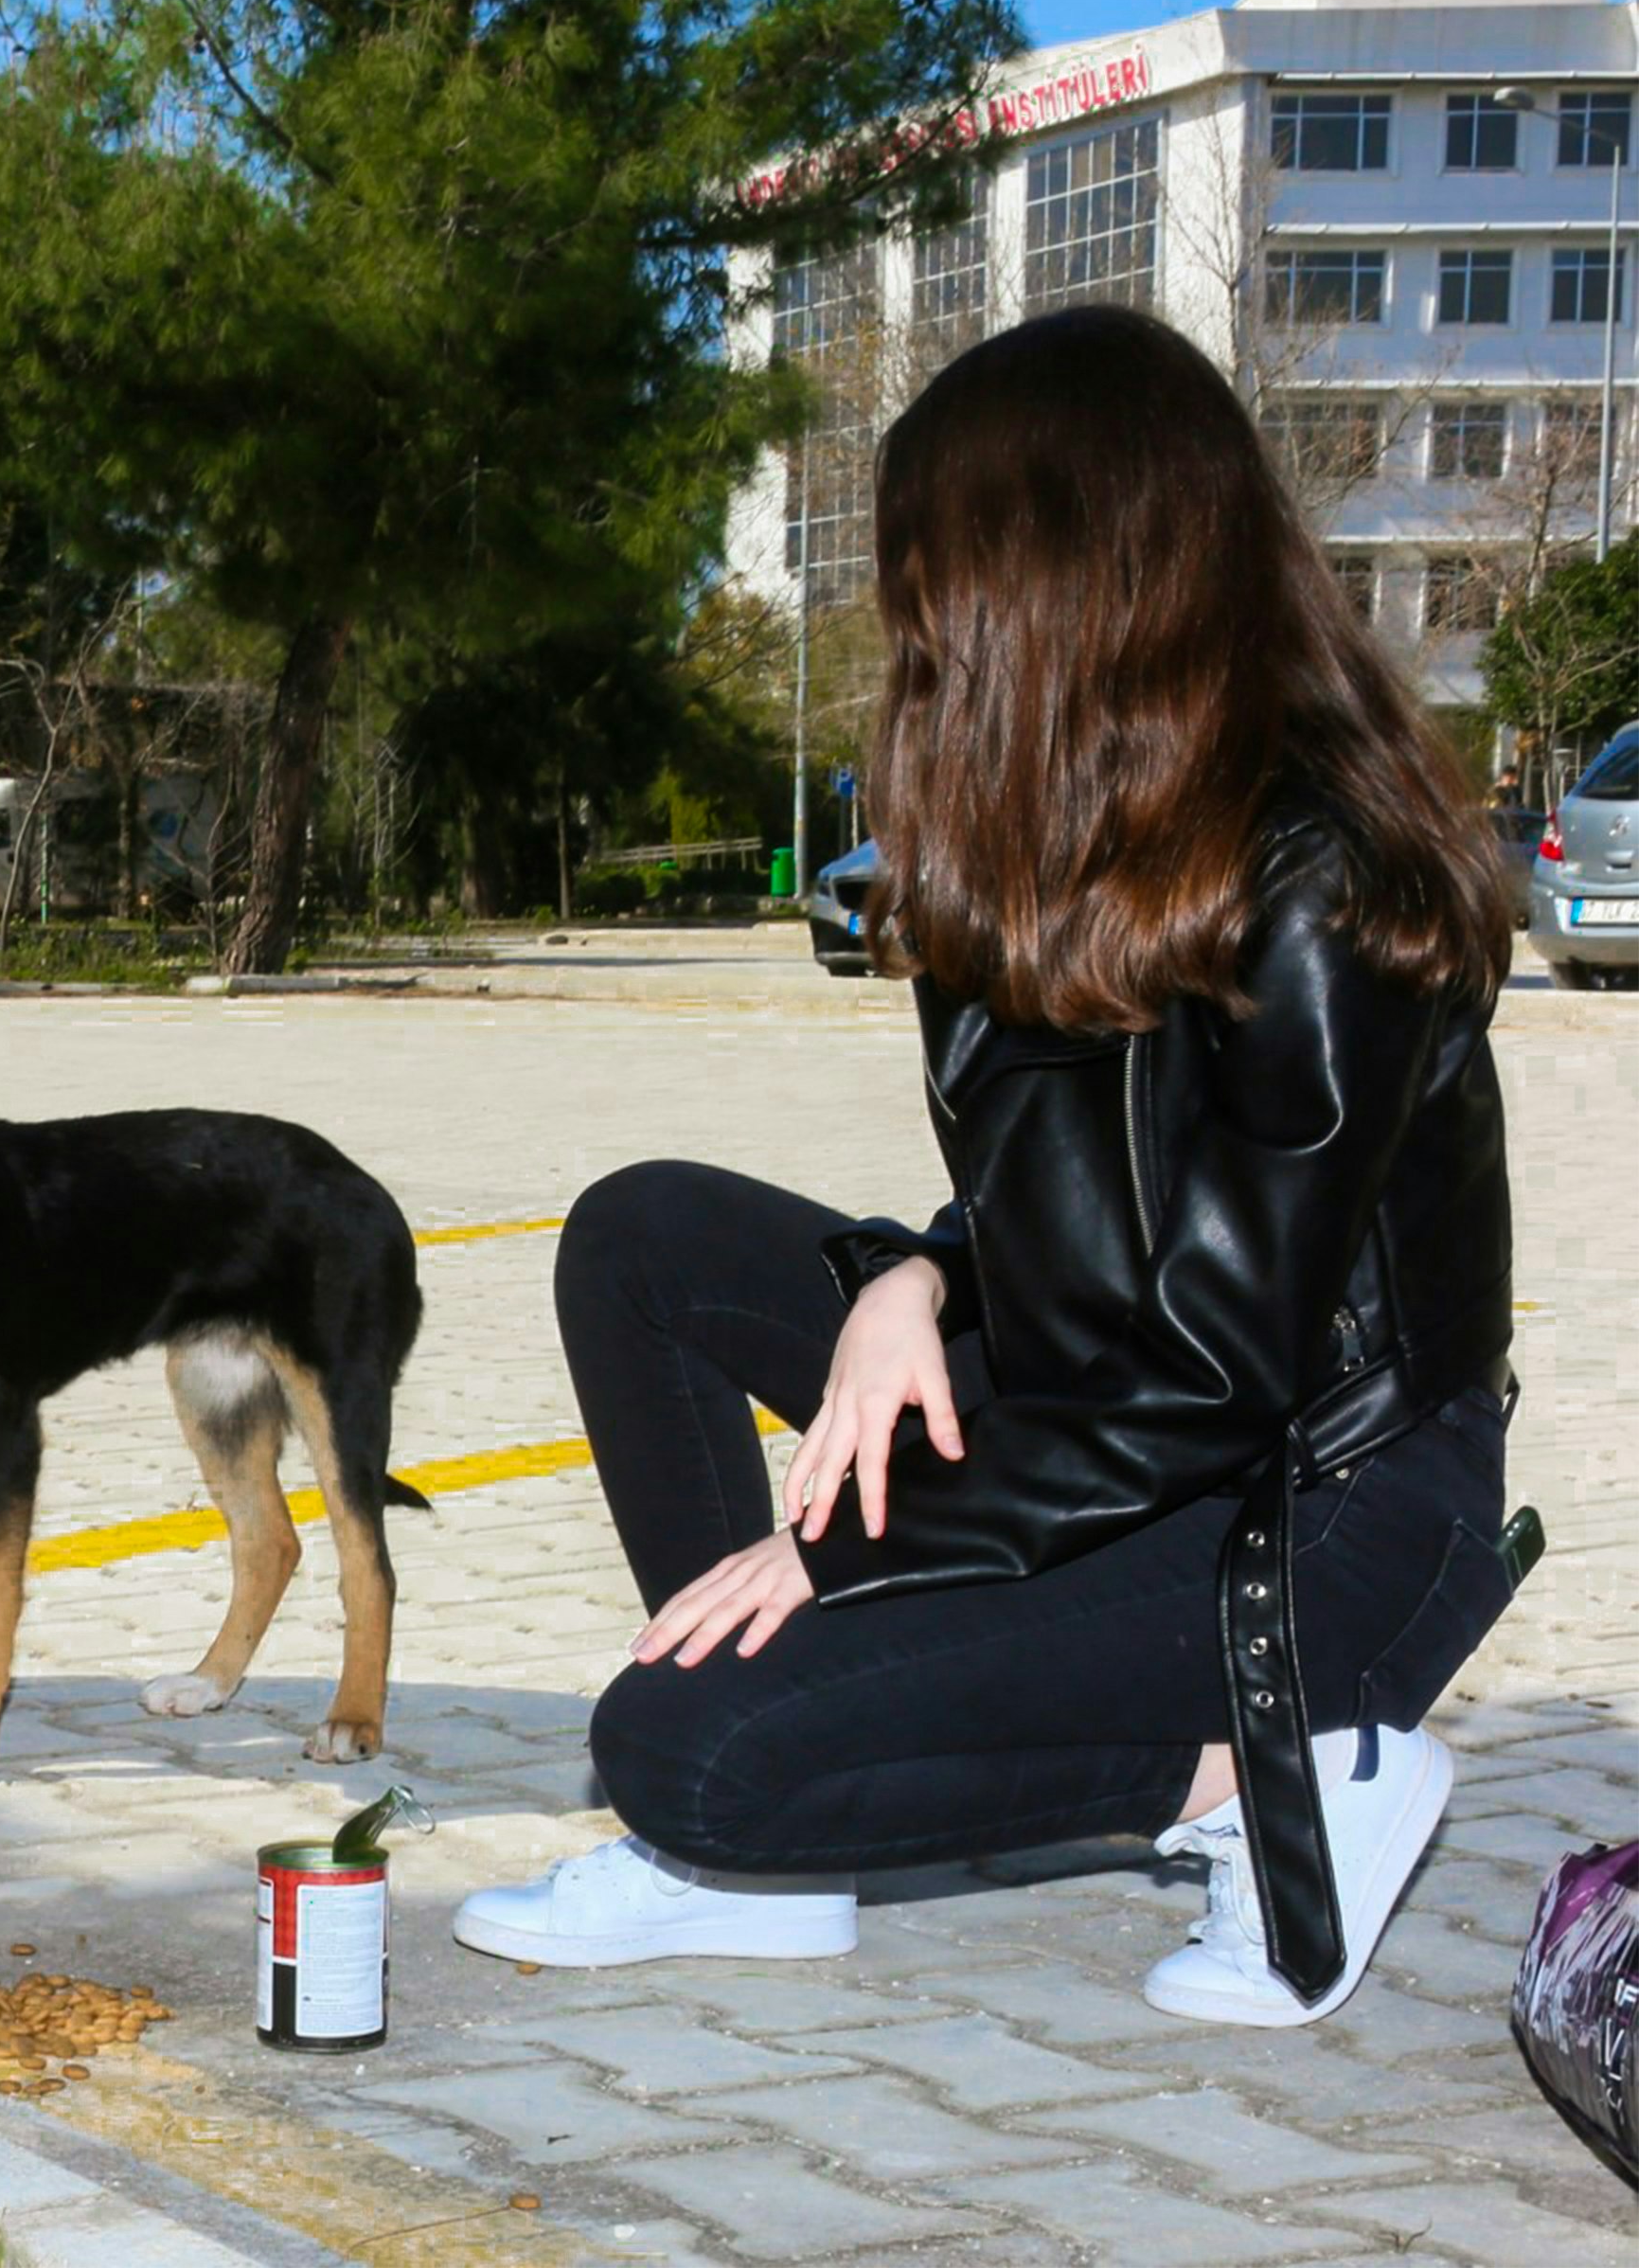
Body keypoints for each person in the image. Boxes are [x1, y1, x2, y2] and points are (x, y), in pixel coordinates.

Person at [454, 307, 1518, 2027]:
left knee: (675, 1754)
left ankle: (1261, 1776)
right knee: (643, 1238)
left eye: (932, 577)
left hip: (1315, 1504)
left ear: (1066, 583)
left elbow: (1218, 1373)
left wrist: (848, 1560)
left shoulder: (1330, 880)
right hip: (1096, 1403)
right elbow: (1103, 1196)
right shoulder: (1057, 827)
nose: (907, 622)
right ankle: (769, 1864)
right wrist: (916, 1275)